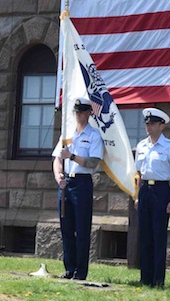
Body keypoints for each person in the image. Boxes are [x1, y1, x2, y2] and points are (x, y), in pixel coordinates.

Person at [52, 96, 104, 280]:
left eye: (82, 111)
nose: (79, 115)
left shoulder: (93, 136)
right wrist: (58, 176)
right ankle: (69, 268)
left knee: (81, 229)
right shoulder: (67, 133)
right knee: (66, 228)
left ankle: (80, 272)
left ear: (89, 113)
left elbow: (93, 162)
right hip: (66, 183)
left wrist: (72, 157)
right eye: (77, 112)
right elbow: (57, 159)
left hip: (82, 183)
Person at [134, 107, 170, 288]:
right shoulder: (141, 146)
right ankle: (145, 278)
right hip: (146, 190)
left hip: (162, 190)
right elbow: (138, 173)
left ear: (161, 126)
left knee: (158, 235)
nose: (149, 127)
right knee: (145, 236)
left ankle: (158, 280)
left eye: (153, 123)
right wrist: (137, 195)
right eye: (147, 124)